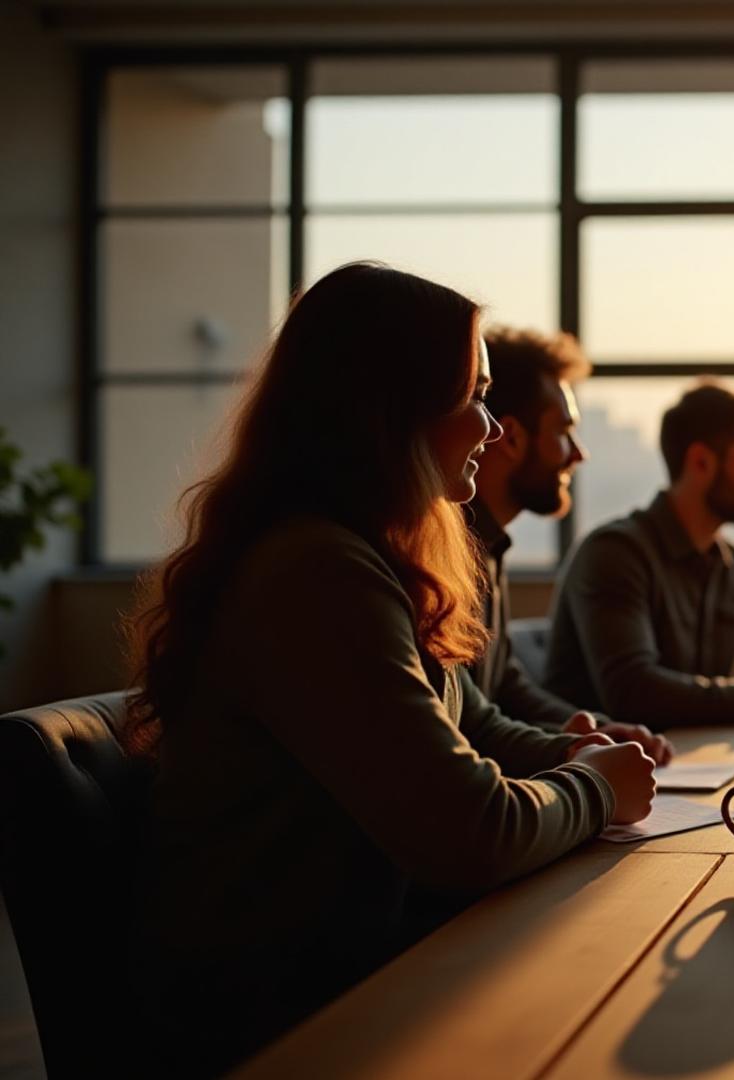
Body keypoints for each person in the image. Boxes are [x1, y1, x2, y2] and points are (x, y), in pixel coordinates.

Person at [124, 263, 657, 1075]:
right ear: (392, 410)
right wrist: (595, 787)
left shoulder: (354, 555)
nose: (491, 427)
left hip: (367, 967)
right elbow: (471, 834)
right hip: (297, 1020)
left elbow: (467, 718)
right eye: (472, 397)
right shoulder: (314, 574)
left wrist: (567, 752)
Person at [543, 382, 734, 727]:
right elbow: (632, 693)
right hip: (600, 772)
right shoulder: (614, 554)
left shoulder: (733, 565)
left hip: (692, 768)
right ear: (701, 462)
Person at [468, 326, 672, 762]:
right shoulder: (446, 554)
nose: (578, 454)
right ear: (512, 436)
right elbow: (468, 727)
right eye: (564, 431)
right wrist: (572, 749)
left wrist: (594, 729)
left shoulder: (489, 547)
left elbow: (502, 685)